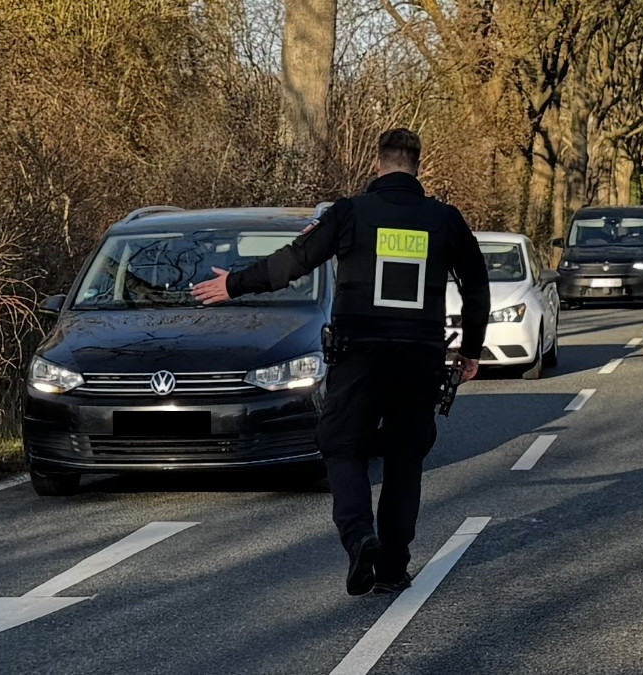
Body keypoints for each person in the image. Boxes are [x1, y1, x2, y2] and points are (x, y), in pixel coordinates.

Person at [191, 128, 490, 596]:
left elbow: (295, 261)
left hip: (360, 352)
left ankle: (360, 539)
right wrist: (471, 349)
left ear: (377, 164)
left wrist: (234, 284)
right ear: (418, 166)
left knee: (342, 446)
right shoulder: (445, 220)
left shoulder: (349, 213)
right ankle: (392, 568)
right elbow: (476, 286)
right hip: (420, 356)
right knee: (404, 459)